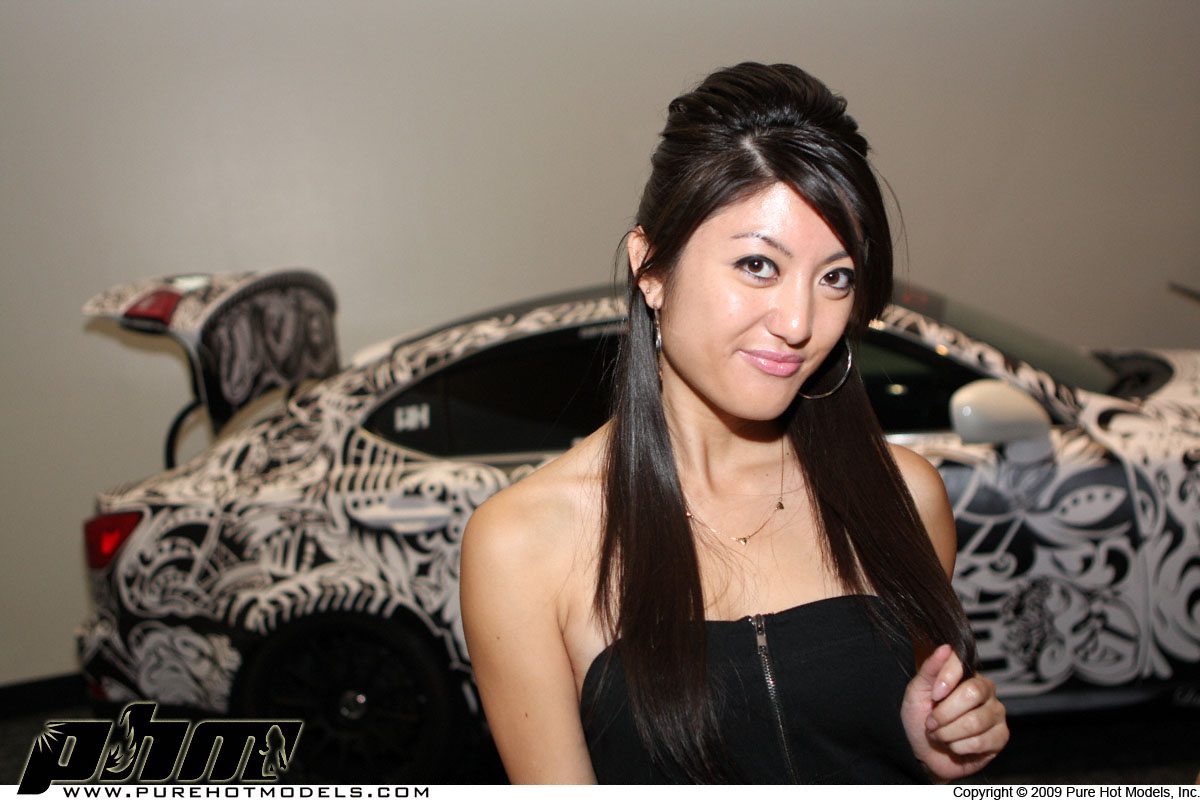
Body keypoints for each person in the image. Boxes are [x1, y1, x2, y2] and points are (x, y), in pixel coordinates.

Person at [461, 61, 1009, 784]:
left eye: (835, 277)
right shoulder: (523, 544)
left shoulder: (903, 496)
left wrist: (929, 748)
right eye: (757, 265)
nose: (799, 322)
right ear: (651, 269)